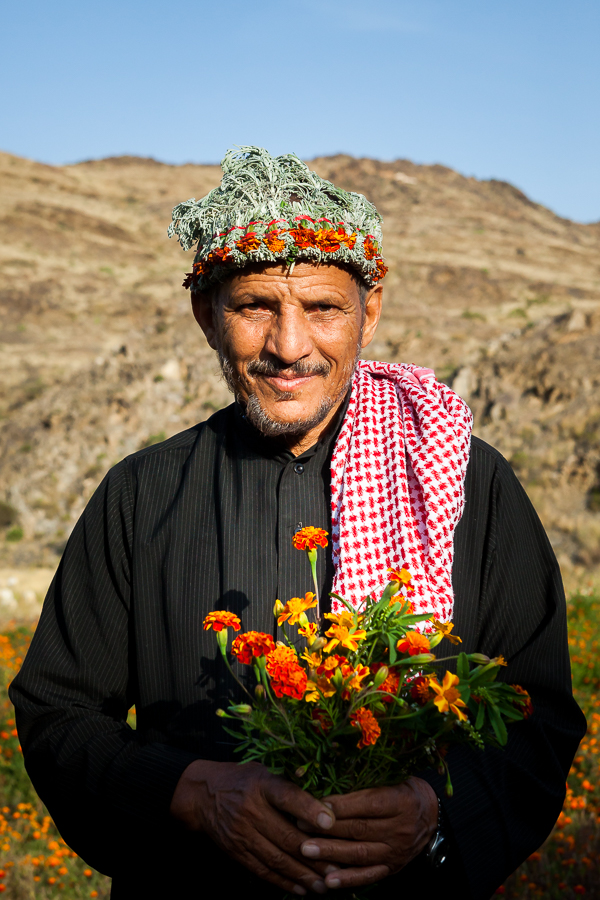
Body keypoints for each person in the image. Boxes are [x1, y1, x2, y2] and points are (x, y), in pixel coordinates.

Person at [10, 147, 585, 900]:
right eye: (255, 307)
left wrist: (434, 809)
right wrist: (191, 792)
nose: (288, 346)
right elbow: (58, 713)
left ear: (368, 313)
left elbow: (538, 714)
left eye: (322, 308)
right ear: (206, 314)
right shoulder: (140, 497)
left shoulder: (470, 485)